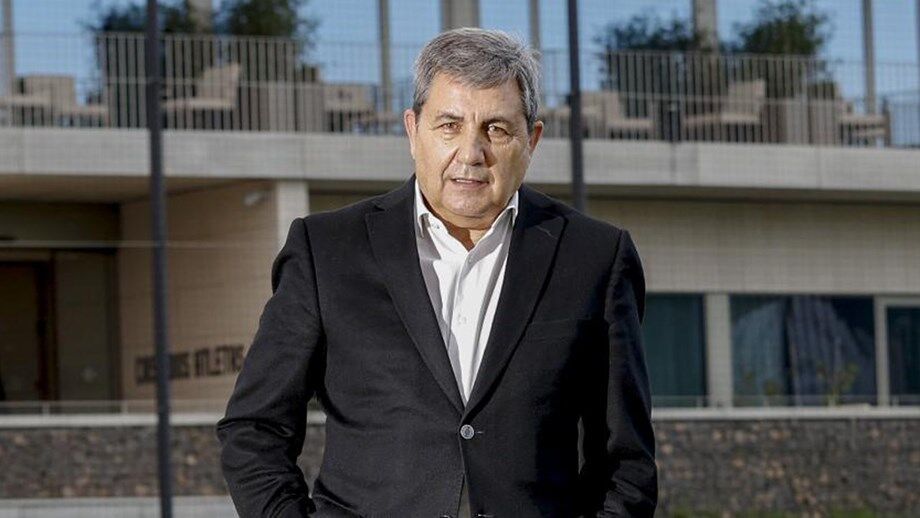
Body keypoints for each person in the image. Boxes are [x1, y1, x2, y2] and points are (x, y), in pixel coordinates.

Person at [217, 27, 657, 517]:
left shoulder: (595, 256)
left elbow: (625, 461)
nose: (471, 153)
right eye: (449, 125)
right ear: (413, 131)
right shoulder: (325, 250)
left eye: (496, 129)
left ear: (531, 140)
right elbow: (253, 430)